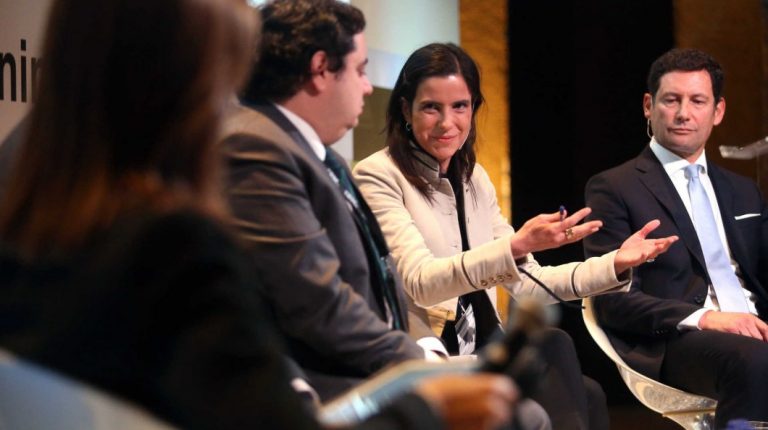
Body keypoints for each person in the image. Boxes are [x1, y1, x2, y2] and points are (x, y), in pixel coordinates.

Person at [0, 0, 520, 429]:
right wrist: (428, 408)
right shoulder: (173, 242)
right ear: (178, 79)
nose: (236, 106)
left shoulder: (28, 194)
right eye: (228, 73)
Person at [352, 42, 678, 430]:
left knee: (580, 379)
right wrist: (515, 245)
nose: (447, 122)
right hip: (430, 354)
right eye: (431, 108)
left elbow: (528, 283)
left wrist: (615, 264)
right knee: (565, 366)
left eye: (460, 106)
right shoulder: (378, 175)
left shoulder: (474, 178)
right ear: (406, 110)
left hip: (484, 349)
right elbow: (421, 283)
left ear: (473, 108)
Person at [583, 48, 768, 427]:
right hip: (679, 338)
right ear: (648, 106)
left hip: (757, 327)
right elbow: (611, 301)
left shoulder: (743, 191)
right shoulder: (614, 188)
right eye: (672, 100)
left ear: (718, 111)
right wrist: (707, 318)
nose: (684, 113)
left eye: (698, 101)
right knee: (754, 359)